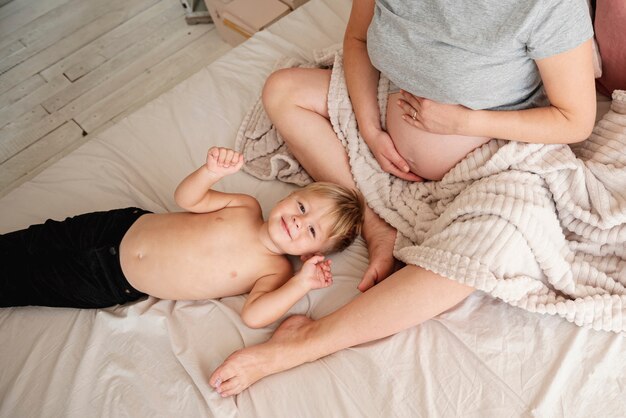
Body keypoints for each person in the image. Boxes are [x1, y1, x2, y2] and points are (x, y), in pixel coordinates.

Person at [208, 0, 597, 397]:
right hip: (386, 109)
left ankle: (307, 341)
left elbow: (576, 119)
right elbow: (358, 39)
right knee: (284, 89)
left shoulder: (547, 6)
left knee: (485, 250)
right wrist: (369, 127)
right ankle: (375, 223)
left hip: (496, 152)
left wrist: (463, 122)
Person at [0, 147, 365, 329]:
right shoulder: (245, 206)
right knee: (37, 240)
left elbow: (255, 316)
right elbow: (187, 199)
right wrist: (209, 172)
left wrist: (302, 284)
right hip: (117, 227)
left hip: (111, 280)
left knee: (29, 282)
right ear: (288, 197)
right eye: (302, 207)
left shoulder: (274, 271)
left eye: (312, 230)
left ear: (312, 253)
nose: (298, 222)